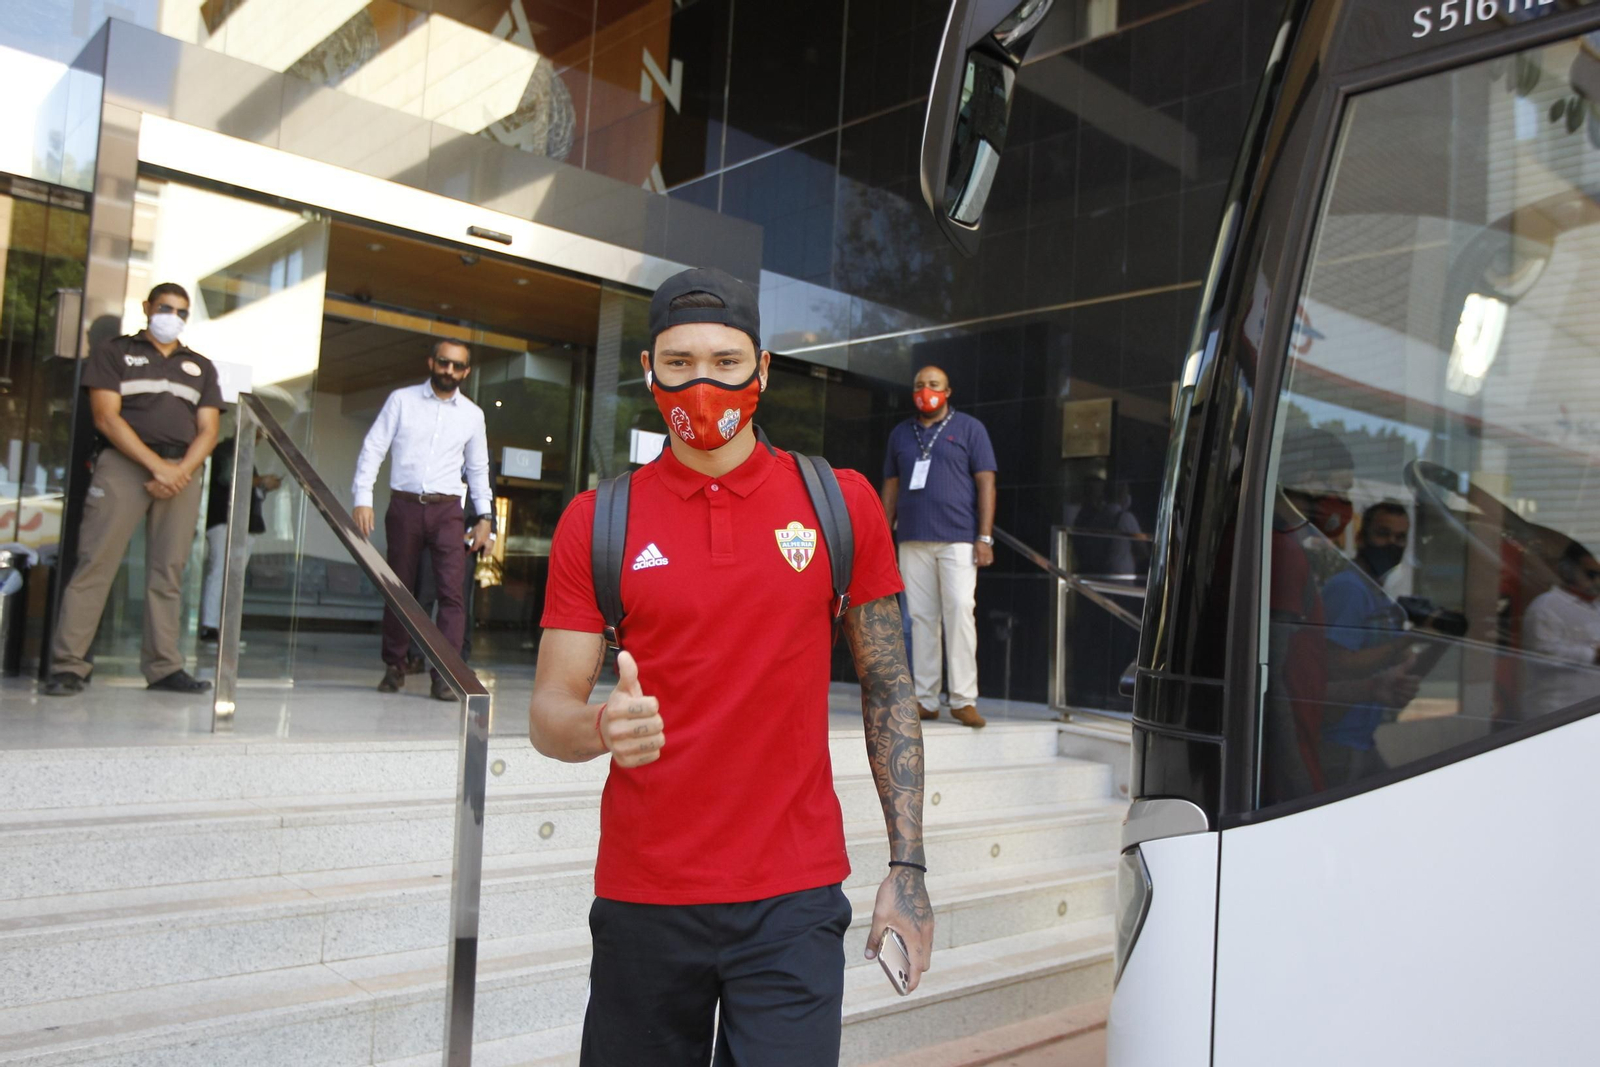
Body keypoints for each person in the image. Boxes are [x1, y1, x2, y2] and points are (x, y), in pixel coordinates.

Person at [528, 267, 932, 1066]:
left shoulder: (839, 504)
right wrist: (604, 724)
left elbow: (890, 687)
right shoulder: (598, 519)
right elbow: (548, 712)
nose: (703, 383)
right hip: (645, 898)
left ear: (763, 369)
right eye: (678, 363)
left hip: (793, 898)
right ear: (649, 372)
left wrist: (908, 867)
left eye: (724, 360)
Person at [44, 283, 224, 696]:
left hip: (182, 471)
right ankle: (69, 665)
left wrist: (179, 472)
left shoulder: (200, 366)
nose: (172, 317)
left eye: (181, 311)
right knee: (96, 563)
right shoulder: (113, 352)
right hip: (123, 467)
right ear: (147, 308)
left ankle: (164, 668)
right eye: (165, 308)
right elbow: (106, 417)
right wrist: (158, 467)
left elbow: (209, 429)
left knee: (170, 572)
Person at [351, 340, 493, 700]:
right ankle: (394, 666)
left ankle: (445, 675)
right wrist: (362, 498)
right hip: (405, 506)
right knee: (398, 589)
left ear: (466, 372)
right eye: (444, 363)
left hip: (448, 510)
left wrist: (486, 517)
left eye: (457, 366)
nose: (449, 371)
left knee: (452, 594)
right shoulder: (402, 400)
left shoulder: (472, 415)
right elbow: (373, 448)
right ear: (431, 362)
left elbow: (478, 469)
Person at [879, 365, 997, 728]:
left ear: (948, 391)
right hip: (912, 538)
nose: (925, 390)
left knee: (960, 610)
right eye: (919, 385)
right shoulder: (901, 433)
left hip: (959, 538)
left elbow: (986, 484)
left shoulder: (970, 429)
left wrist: (985, 536)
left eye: (933, 385)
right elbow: (891, 487)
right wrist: (883, 535)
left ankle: (963, 699)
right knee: (921, 619)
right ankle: (926, 699)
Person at [1319, 502, 1414, 785]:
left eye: (1400, 538)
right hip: (1337, 741)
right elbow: (1337, 665)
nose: (1391, 544)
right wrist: (1404, 643)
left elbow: (1396, 660)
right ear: (1361, 538)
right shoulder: (1349, 588)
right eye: (1383, 534)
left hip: (1362, 738)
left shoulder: (1377, 593)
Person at [197, 431, 280, 643]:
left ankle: (225, 626)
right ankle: (211, 626)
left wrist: (263, 486)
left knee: (233, 576)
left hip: (244, 523)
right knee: (220, 571)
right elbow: (228, 479)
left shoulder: (242, 455)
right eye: (257, 437)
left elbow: (246, 490)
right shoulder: (226, 450)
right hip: (225, 520)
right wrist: (260, 480)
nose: (258, 442)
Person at [1523, 540, 1600, 717]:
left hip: (1591, 709)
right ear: (1568, 571)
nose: (1597, 580)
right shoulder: (1546, 606)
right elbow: (1543, 654)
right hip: (1557, 710)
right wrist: (1592, 654)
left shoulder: (1596, 606)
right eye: (1590, 574)